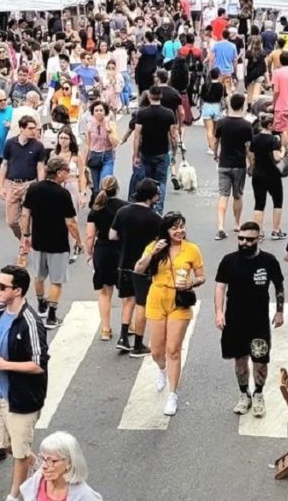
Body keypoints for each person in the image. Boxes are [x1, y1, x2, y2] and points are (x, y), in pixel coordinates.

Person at [0, 265, 50, 501]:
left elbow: (38, 364)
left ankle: (15, 495)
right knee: (2, 445)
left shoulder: (30, 322)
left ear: (18, 291)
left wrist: (5, 365)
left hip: (21, 398)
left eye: (3, 286)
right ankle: (42, 466)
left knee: (19, 453)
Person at [134, 211, 206, 416]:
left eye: (182, 226)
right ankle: (162, 370)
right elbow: (138, 269)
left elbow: (202, 276)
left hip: (179, 300)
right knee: (157, 351)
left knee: (173, 349)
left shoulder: (191, 250)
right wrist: (152, 254)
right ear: (166, 230)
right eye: (174, 227)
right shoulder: (155, 247)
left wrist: (192, 282)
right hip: (157, 297)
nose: (179, 231)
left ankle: (173, 394)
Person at [215, 221, 284, 417]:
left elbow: (279, 286)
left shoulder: (269, 261)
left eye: (250, 239)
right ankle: (244, 393)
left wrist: (279, 312)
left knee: (260, 361)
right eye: (241, 238)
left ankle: (259, 394)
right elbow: (220, 287)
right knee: (240, 361)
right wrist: (219, 313)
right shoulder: (229, 260)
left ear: (259, 239)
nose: (245, 242)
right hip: (235, 320)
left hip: (259, 322)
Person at [21, 157, 82, 329]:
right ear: (59, 172)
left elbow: (25, 214)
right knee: (56, 280)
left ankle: (41, 304)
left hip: (38, 240)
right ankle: (52, 316)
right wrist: (79, 240)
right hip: (58, 242)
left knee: (39, 276)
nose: (68, 175)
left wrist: (26, 234)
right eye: (66, 171)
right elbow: (70, 222)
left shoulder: (33, 188)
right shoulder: (63, 194)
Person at [110, 178, 161, 357]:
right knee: (142, 304)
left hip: (124, 263)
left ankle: (123, 337)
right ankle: (138, 343)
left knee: (128, 301)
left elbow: (112, 235)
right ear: (151, 196)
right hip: (144, 266)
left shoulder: (123, 212)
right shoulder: (155, 219)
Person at [86, 177, 126, 342]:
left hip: (102, 250)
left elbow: (90, 235)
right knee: (126, 292)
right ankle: (128, 325)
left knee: (104, 291)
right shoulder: (124, 207)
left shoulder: (95, 209)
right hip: (121, 251)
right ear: (117, 189)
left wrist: (89, 253)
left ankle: (105, 328)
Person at [213, 93, 254, 240]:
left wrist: (215, 153)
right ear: (243, 106)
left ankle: (220, 226)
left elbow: (216, 140)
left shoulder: (222, 122)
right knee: (238, 195)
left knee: (223, 195)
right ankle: (237, 223)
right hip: (239, 165)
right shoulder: (246, 125)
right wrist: (251, 165)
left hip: (224, 163)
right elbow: (249, 148)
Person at [132, 85, 178, 212]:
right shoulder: (168, 113)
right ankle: (158, 209)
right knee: (161, 182)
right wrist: (174, 153)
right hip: (162, 152)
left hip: (146, 152)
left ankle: (148, 207)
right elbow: (173, 136)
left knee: (148, 181)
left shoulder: (142, 113)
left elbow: (137, 136)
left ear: (150, 96)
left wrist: (136, 155)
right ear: (161, 96)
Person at [20, 432, 103, 501]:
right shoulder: (37, 481)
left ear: (69, 462)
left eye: (52, 461)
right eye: (43, 459)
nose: (44, 466)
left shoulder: (85, 496)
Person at [250, 113, 287, 241]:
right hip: (272, 174)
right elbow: (277, 158)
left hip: (258, 173)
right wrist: (282, 151)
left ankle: (259, 232)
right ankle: (276, 230)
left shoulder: (255, 138)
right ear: (270, 125)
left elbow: (251, 155)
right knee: (277, 201)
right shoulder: (273, 140)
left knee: (259, 203)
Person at [80, 101, 118, 198]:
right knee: (96, 188)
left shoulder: (111, 124)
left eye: (101, 110)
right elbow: (87, 144)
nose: (99, 112)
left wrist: (108, 129)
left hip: (107, 156)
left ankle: (105, 206)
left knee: (104, 185)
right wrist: (83, 162)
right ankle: (98, 206)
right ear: (93, 112)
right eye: (96, 110)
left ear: (105, 112)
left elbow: (115, 143)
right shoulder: (89, 125)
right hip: (94, 156)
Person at [200, 67, 226, 154]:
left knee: (209, 129)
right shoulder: (221, 86)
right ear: (218, 75)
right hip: (217, 107)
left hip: (207, 106)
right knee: (216, 129)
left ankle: (210, 147)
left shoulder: (205, 85)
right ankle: (215, 147)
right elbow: (224, 97)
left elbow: (202, 97)